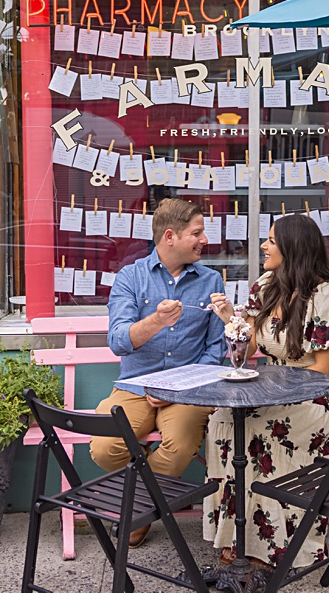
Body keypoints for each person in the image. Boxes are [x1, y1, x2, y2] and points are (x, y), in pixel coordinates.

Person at [206, 213, 329, 568]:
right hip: (270, 389)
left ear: (292, 248)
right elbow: (254, 348)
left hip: (315, 397)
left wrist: (275, 391)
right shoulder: (267, 284)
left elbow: (323, 370)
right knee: (222, 420)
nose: (263, 246)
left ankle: (278, 546)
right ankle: (239, 538)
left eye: (271, 241)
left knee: (259, 430)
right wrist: (232, 320)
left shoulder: (325, 294)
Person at [91, 197, 225, 545]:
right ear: (170, 237)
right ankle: (149, 497)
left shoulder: (211, 281)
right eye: (197, 233)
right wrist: (154, 322)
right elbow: (119, 340)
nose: (204, 240)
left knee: (180, 447)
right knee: (104, 447)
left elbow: (216, 348)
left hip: (187, 391)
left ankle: (137, 508)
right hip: (135, 386)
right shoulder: (130, 278)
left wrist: (181, 386)